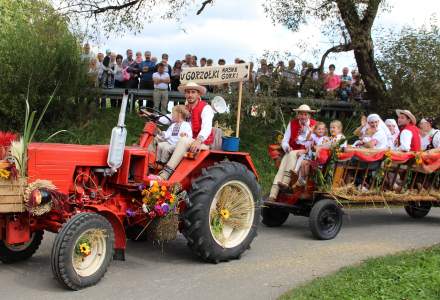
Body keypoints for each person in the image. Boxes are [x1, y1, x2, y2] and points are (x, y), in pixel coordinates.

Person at [151, 82, 215, 180]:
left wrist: (198, 140)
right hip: (186, 139)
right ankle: (149, 166)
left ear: (198, 94)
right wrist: (153, 117)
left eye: (193, 92)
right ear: (185, 94)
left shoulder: (205, 108)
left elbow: (207, 127)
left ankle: (165, 174)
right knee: (155, 138)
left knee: (184, 140)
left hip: (201, 142)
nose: (190, 95)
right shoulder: (185, 109)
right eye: (188, 92)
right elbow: (170, 117)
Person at [268, 104, 317, 201]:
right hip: (293, 151)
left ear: (309, 115)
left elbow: (318, 140)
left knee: (291, 155)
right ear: (298, 115)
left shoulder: (314, 124)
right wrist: (287, 147)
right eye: (301, 114)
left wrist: (307, 149)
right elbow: (285, 141)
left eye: (305, 114)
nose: (303, 116)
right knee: (284, 162)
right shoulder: (292, 123)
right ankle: (273, 195)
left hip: (307, 152)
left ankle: (284, 183)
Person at [294, 122, 329, 187]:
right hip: (312, 157)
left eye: (322, 129)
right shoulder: (314, 137)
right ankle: (302, 178)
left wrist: (315, 147)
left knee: (306, 164)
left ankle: (306, 178)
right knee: (303, 162)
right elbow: (307, 139)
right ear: (315, 130)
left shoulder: (325, 138)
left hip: (319, 159)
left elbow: (323, 147)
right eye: (319, 129)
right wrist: (310, 131)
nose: (321, 130)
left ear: (325, 130)